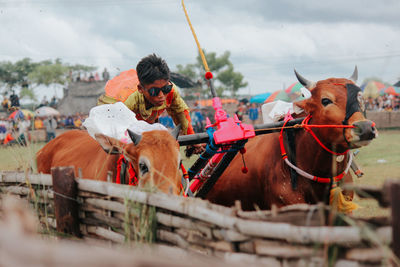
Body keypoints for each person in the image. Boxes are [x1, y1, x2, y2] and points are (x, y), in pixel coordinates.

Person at [116, 54, 202, 155]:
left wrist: (192, 139)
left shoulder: (172, 91)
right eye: (154, 91)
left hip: (150, 125)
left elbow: (181, 113)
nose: (161, 96)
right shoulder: (128, 102)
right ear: (140, 89)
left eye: (165, 89)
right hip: (127, 128)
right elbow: (118, 130)